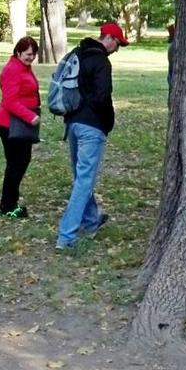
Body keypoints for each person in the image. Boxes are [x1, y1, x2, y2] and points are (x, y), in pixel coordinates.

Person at [55, 21, 128, 250]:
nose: (116, 49)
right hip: (91, 127)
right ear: (109, 38)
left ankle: (90, 221)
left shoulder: (78, 53)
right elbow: (102, 97)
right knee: (84, 181)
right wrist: (108, 122)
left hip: (73, 123)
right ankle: (66, 237)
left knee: (80, 176)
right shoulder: (101, 62)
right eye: (117, 44)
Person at [0, 35, 41, 220]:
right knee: (16, 164)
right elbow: (9, 101)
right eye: (28, 54)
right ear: (18, 52)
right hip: (10, 124)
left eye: (34, 54)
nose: (31, 57)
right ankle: (8, 205)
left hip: (20, 123)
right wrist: (31, 117)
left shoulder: (24, 67)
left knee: (20, 162)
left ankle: (9, 201)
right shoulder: (13, 69)